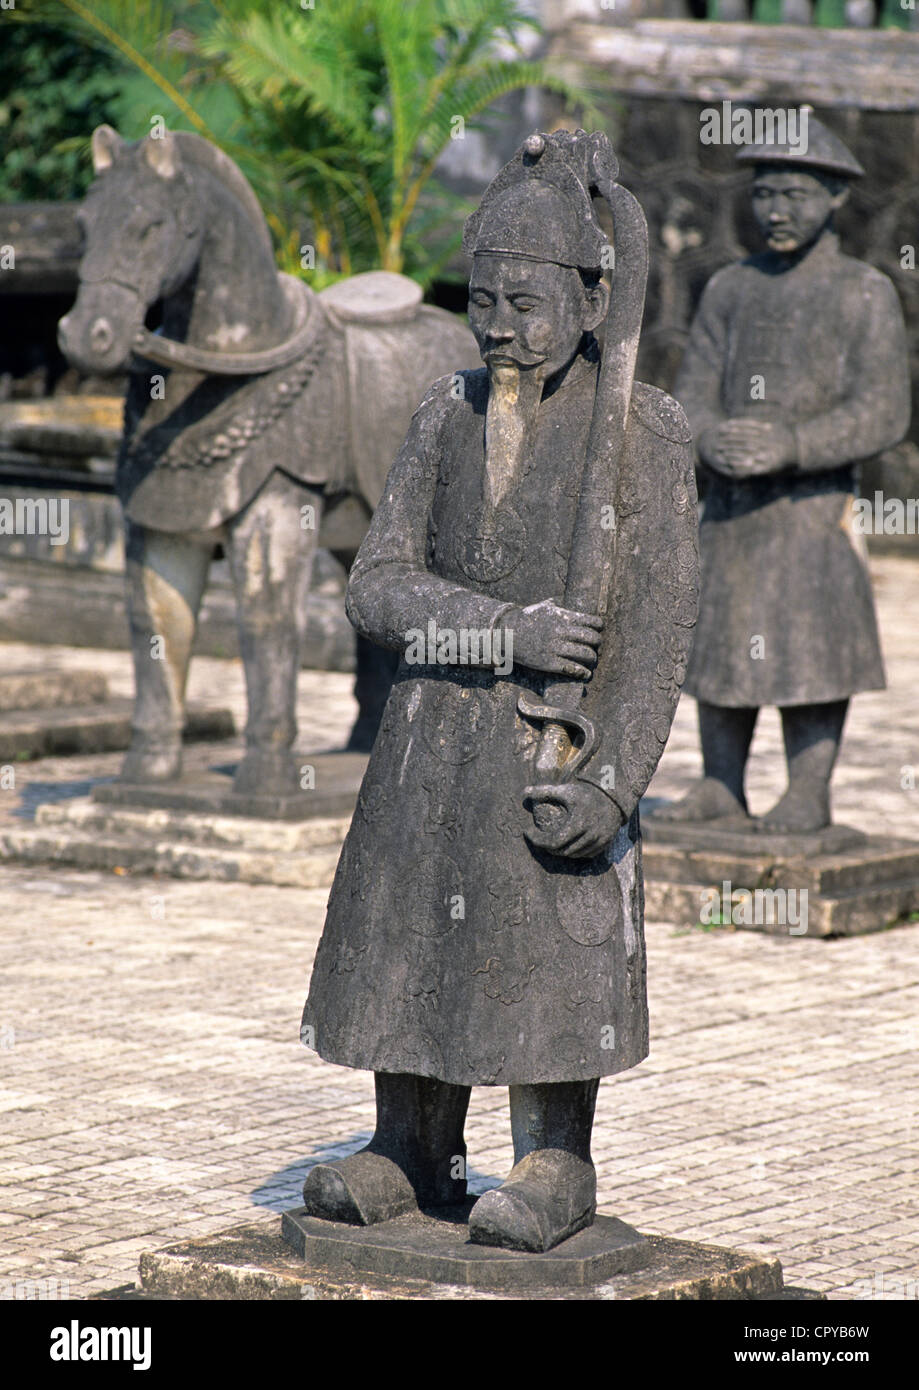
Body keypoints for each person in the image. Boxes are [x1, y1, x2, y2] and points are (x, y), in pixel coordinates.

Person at [299, 130, 699, 1252]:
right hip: (429, 742)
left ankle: (552, 1159)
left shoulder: (643, 435)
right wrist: (500, 631)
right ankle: (410, 1140)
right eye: (481, 299)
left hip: (550, 757)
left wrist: (614, 784)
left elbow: (662, 626)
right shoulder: (444, 413)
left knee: (546, 952)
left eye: (524, 302)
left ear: (584, 300)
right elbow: (376, 589)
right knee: (408, 937)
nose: (497, 324)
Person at [661, 115, 910, 834]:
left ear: (833, 197)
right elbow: (694, 393)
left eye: (794, 195)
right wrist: (710, 438)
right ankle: (719, 784)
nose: (774, 210)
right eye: (763, 193)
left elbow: (882, 411)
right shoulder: (731, 289)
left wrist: (791, 443)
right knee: (721, 642)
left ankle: (808, 791)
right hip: (733, 506)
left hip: (811, 506)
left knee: (812, 645)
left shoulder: (862, 292)